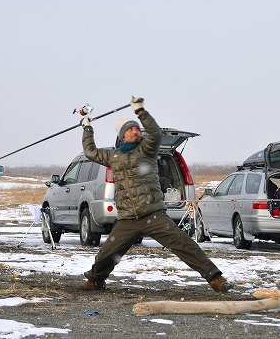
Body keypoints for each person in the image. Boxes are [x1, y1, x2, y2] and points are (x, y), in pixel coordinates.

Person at [80, 96, 232, 293]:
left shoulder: (146, 150)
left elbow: (155, 133)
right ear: (122, 136)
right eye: (130, 129)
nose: (135, 131)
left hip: (153, 215)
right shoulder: (114, 157)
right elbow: (90, 151)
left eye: (136, 128)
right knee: (107, 253)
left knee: (183, 244)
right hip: (127, 219)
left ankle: (215, 278)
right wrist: (87, 127)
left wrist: (141, 112)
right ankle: (95, 280)